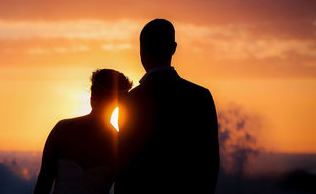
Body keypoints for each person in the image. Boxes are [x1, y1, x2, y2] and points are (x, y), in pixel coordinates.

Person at [116, 19, 220, 193]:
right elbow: (210, 163)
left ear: (142, 50)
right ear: (173, 48)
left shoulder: (129, 101)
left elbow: (124, 166)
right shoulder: (200, 96)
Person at [34, 69, 133, 194]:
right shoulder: (120, 143)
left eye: (96, 91)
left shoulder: (62, 130)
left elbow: (43, 184)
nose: (93, 95)